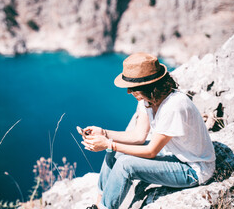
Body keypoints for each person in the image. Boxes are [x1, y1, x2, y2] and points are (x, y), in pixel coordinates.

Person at [80, 52, 216, 209]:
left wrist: (108, 144)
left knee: (125, 164)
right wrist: (104, 133)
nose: (128, 92)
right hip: (175, 155)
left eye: (132, 88)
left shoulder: (174, 106)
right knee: (115, 152)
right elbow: (138, 136)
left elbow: (151, 151)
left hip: (194, 169)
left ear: (148, 87)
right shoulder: (148, 101)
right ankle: (98, 204)